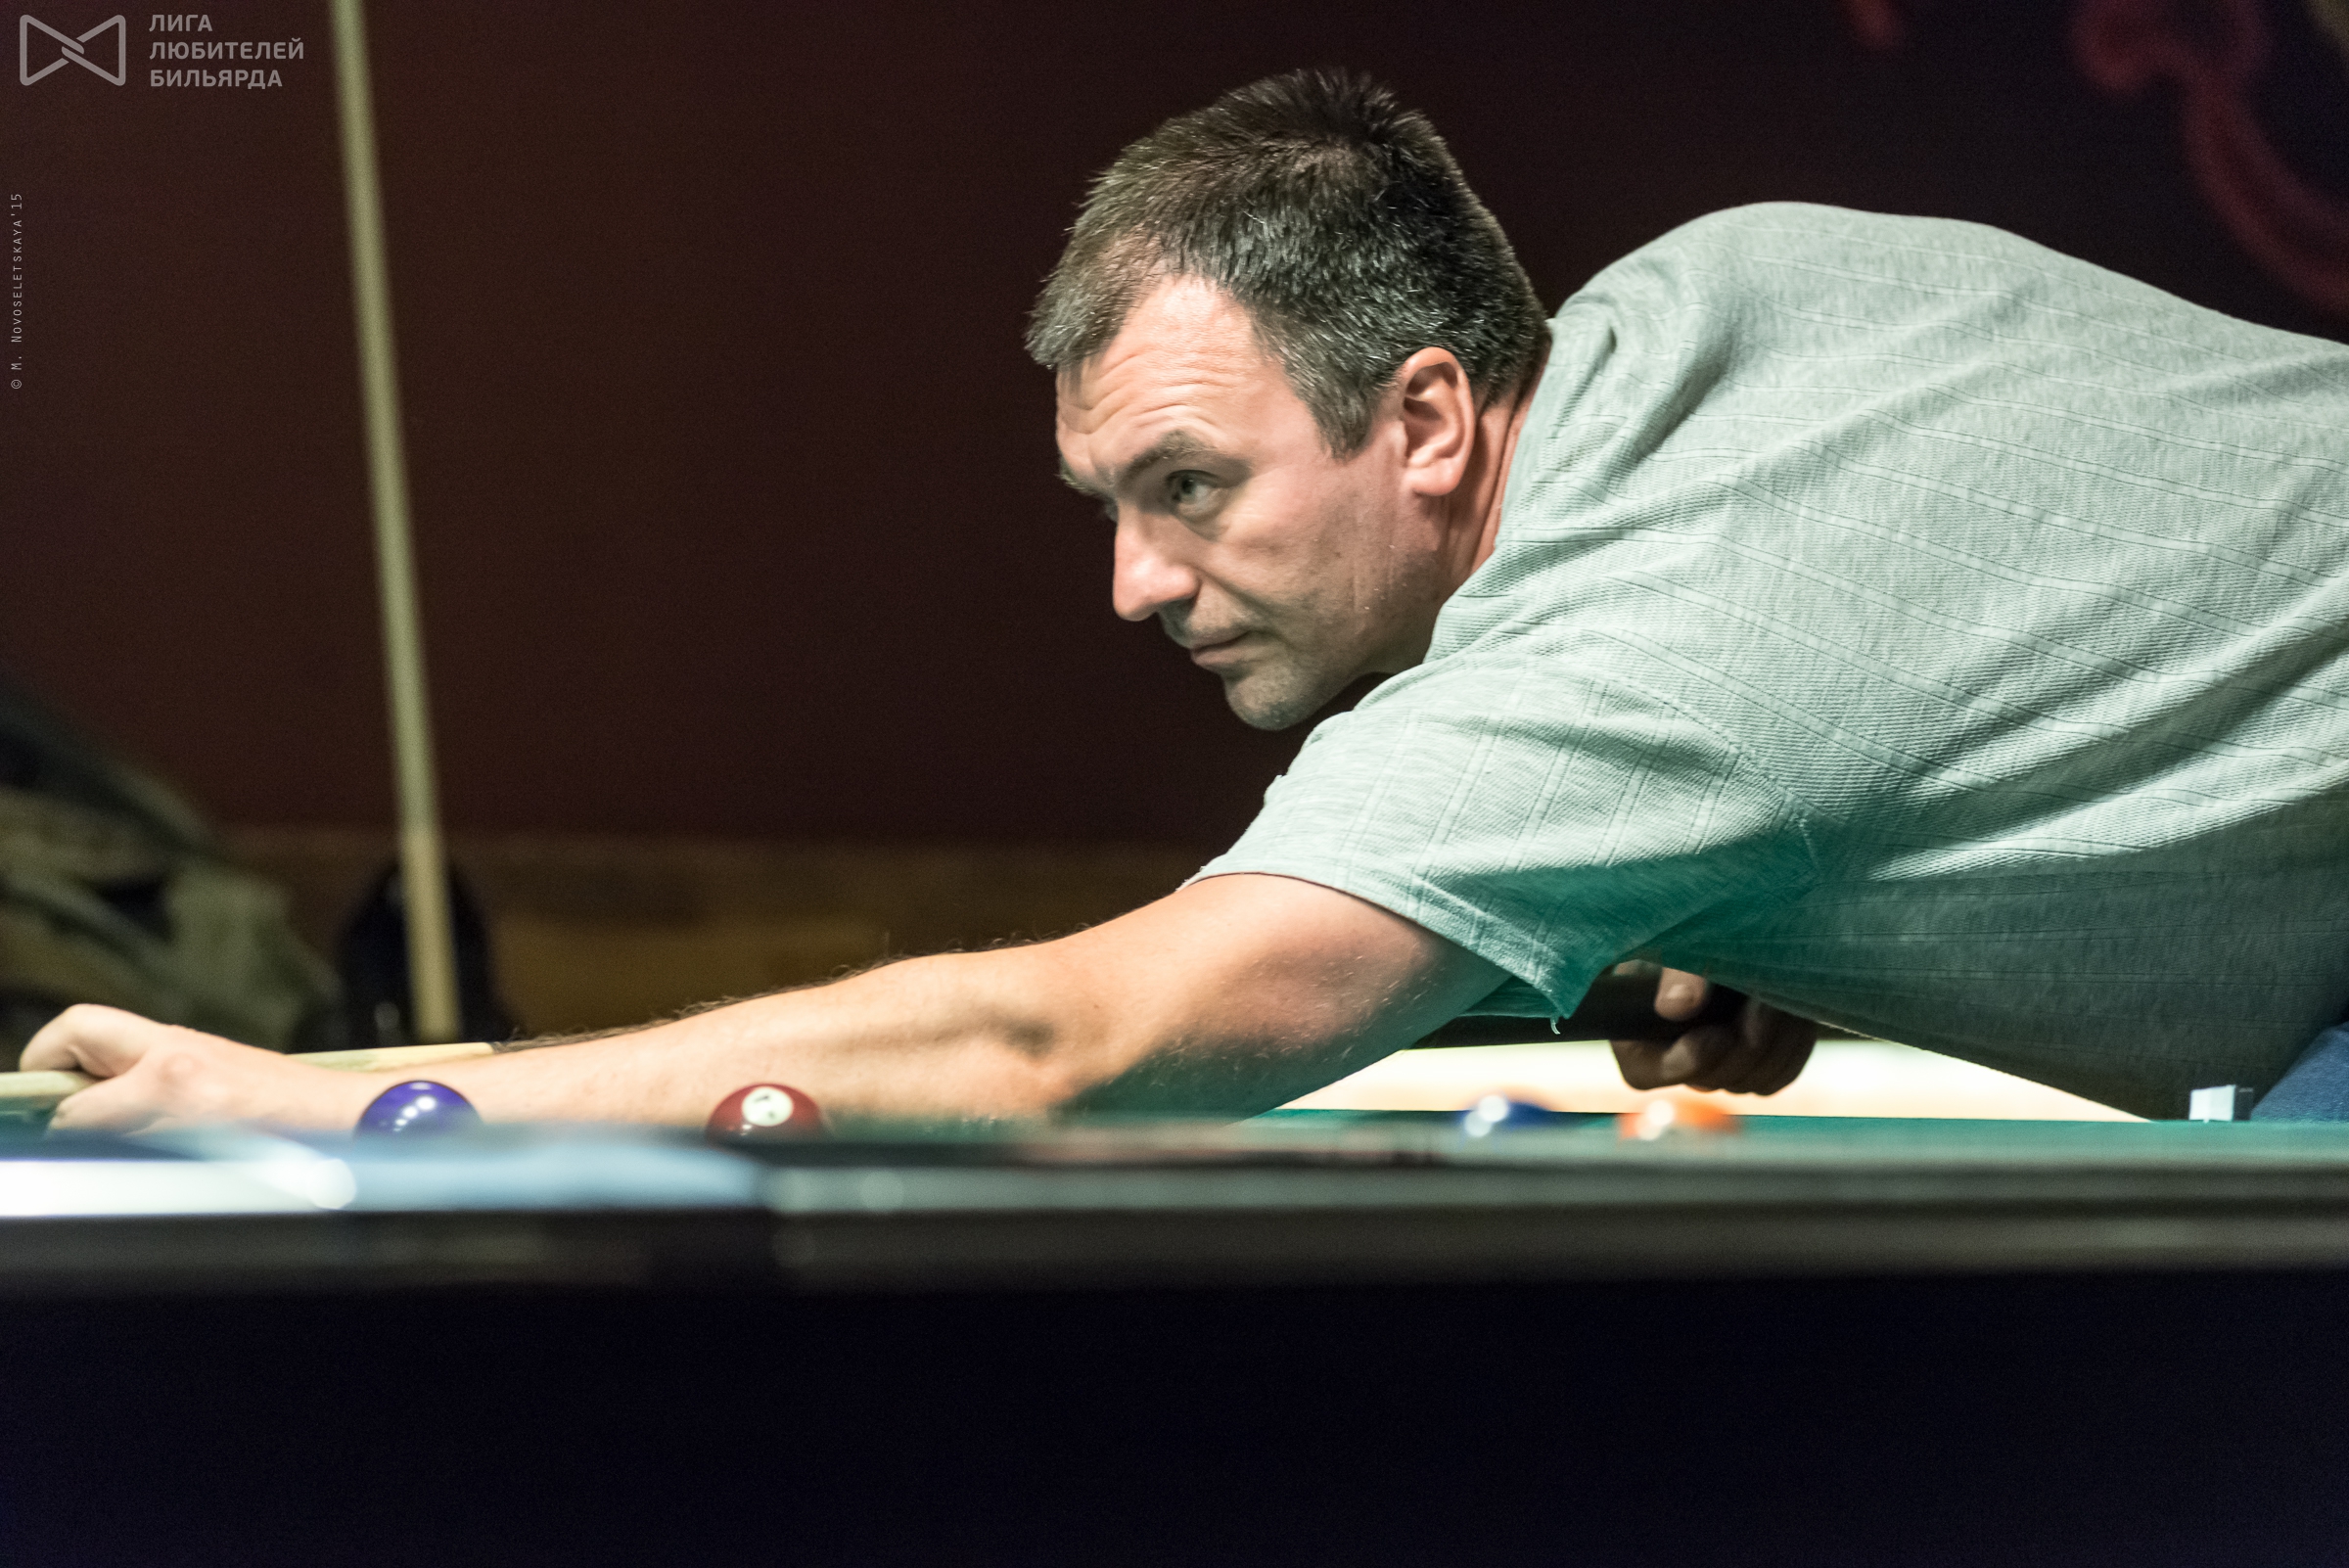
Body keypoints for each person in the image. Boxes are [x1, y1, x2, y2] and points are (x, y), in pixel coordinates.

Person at [29, 69, 2349, 1130]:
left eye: (1190, 488)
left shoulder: (1635, 653)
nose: (1137, 582)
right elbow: (2023, 614)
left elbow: (1060, 1043)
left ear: (1427, 416)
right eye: (1108, 503)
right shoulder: (1733, 289)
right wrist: (1773, 889)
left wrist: (333, 1095)